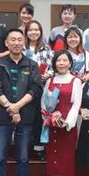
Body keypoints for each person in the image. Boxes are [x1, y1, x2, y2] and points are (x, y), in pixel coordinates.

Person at [0, 28, 44, 176]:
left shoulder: (31, 65)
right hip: (3, 116)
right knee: (0, 156)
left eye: (19, 39)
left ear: (24, 42)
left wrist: (18, 106)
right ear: (6, 43)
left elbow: (36, 88)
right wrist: (10, 108)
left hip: (26, 117)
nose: (16, 43)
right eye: (12, 40)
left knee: (23, 157)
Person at [42, 50, 82, 176]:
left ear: (70, 63)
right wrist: (47, 116)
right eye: (59, 60)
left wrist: (68, 122)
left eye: (65, 60)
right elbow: (44, 101)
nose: (62, 63)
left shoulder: (75, 81)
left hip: (67, 127)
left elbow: (76, 104)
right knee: (52, 159)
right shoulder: (50, 80)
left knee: (67, 159)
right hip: (51, 125)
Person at [24, 20, 54, 161]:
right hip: (24, 89)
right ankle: (25, 147)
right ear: (26, 32)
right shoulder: (22, 49)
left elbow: (54, 67)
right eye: (31, 30)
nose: (33, 32)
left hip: (42, 90)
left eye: (36, 30)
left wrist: (48, 74)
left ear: (41, 32)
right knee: (25, 119)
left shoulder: (47, 49)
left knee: (39, 119)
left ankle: (39, 149)